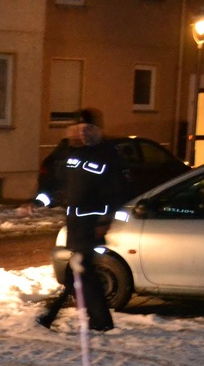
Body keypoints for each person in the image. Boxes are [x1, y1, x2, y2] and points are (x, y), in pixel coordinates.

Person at [35, 110, 132, 332]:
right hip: (75, 225)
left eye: (88, 129)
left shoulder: (109, 156)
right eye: (80, 130)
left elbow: (119, 193)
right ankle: (69, 317)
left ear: (99, 130)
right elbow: (60, 185)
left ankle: (89, 320)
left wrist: (104, 221)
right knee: (77, 273)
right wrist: (40, 202)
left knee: (80, 271)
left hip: (92, 226)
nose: (84, 134)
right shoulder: (73, 155)